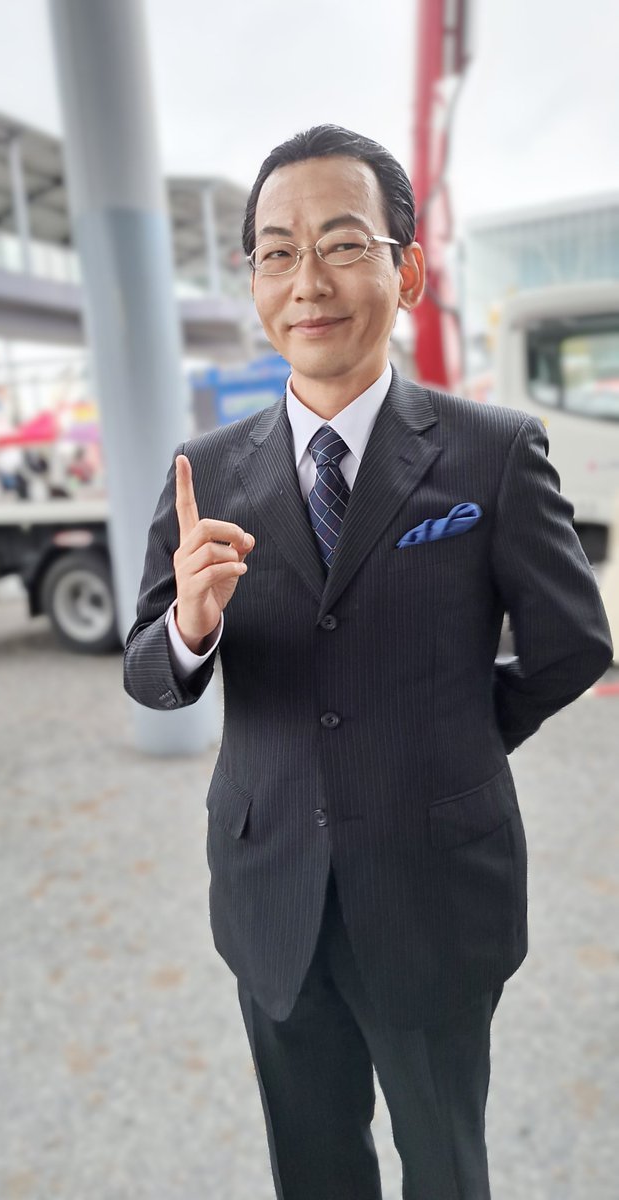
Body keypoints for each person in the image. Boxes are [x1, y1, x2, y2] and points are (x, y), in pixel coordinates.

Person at [123, 126, 613, 1200]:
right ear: (254, 279)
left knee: (445, 1164)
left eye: (344, 244)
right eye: (277, 252)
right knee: (312, 1167)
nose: (308, 280)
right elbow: (148, 672)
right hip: (271, 890)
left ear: (409, 270)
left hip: (437, 885)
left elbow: (574, 642)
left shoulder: (491, 451)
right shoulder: (207, 472)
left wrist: (453, 738)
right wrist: (191, 628)